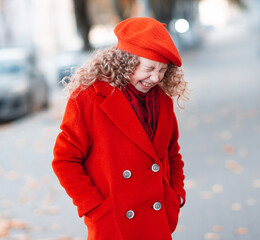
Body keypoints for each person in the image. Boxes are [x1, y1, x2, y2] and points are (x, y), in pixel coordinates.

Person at [52, 17, 188, 240]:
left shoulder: (163, 101)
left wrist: (176, 195)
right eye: (150, 68)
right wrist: (94, 207)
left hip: (157, 223)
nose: (156, 78)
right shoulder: (89, 97)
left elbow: (172, 154)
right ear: (127, 61)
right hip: (114, 225)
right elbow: (64, 160)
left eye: (163, 70)